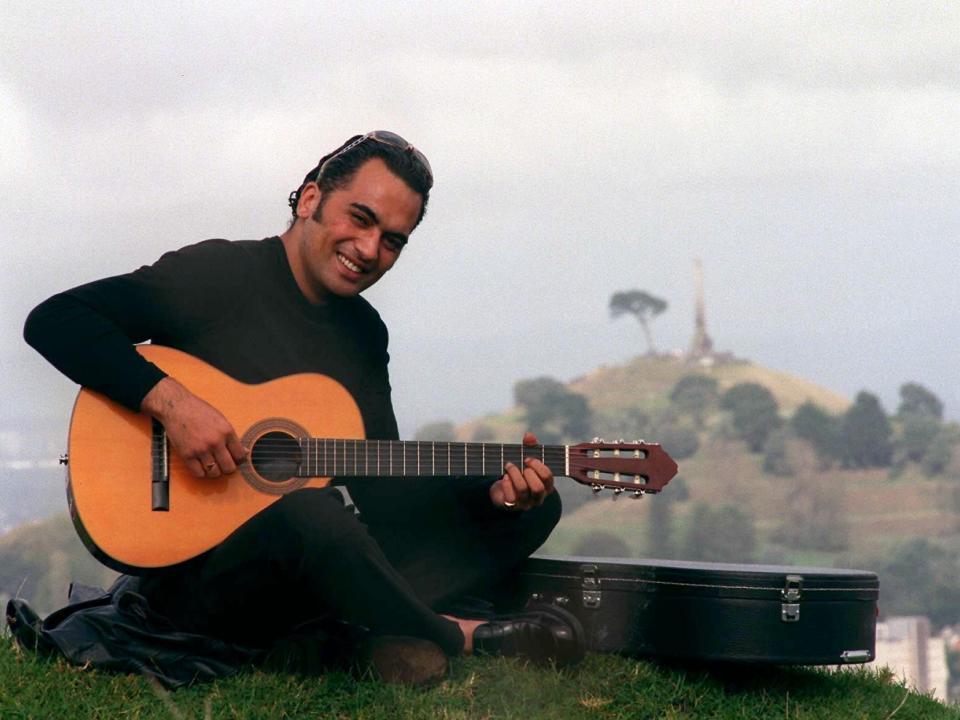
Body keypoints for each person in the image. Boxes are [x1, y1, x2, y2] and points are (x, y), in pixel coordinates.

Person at [19, 131, 584, 685]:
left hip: (297, 580)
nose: (369, 250)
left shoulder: (362, 332)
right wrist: (175, 404)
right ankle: (453, 634)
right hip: (196, 582)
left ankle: (351, 630)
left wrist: (493, 496)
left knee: (534, 511)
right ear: (311, 198)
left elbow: (385, 490)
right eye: (360, 219)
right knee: (311, 514)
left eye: (392, 240)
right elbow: (56, 320)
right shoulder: (219, 275)